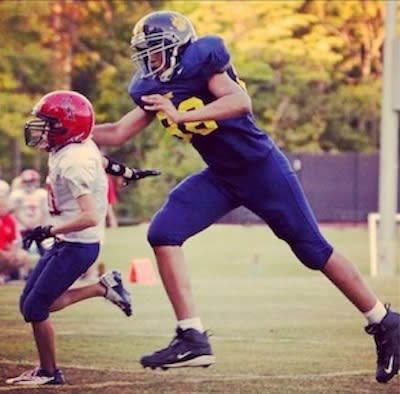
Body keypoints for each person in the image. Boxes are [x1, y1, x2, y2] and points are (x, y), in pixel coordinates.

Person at [91, 10, 400, 383]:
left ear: (176, 48)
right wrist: (73, 130)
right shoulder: (151, 87)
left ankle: (384, 322)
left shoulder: (204, 62)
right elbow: (119, 131)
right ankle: (192, 336)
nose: (148, 61)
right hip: (221, 177)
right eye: (145, 54)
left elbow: (239, 102)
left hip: (261, 169)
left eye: (154, 52)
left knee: (313, 251)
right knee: (163, 232)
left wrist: (181, 115)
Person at [5, 90, 135, 386]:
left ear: (67, 127)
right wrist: (127, 171)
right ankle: (103, 287)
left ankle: (49, 372)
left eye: (48, 124)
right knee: (31, 305)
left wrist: (48, 230)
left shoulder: (73, 161)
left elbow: (91, 215)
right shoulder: (75, 147)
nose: (40, 130)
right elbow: (103, 162)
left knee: (36, 308)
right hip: (68, 241)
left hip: (78, 244)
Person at [9, 169, 49, 257]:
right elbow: (12, 212)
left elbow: (45, 211)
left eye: (32, 181)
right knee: (21, 252)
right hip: (22, 228)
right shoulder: (16, 195)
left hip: (39, 227)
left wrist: (39, 224)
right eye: (26, 182)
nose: (29, 184)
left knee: (45, 252)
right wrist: (25, 224)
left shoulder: (42, 194)